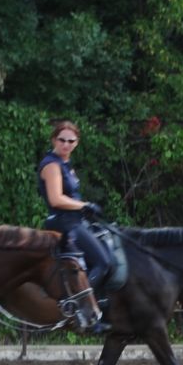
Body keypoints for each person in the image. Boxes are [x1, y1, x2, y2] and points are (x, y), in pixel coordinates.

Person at [38, 119, 112, 332]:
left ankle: (95, 306)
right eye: (62, 140)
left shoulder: (66, 165)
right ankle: (82, 308)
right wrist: (85, 205)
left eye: (71, 141)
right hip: (65, 223)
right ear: (54, 139)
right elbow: (56, 199)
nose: (66, 144)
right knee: (103, 262)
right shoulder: (52, 164)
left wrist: (84, 209)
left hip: (76, 221)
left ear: (77, 143)